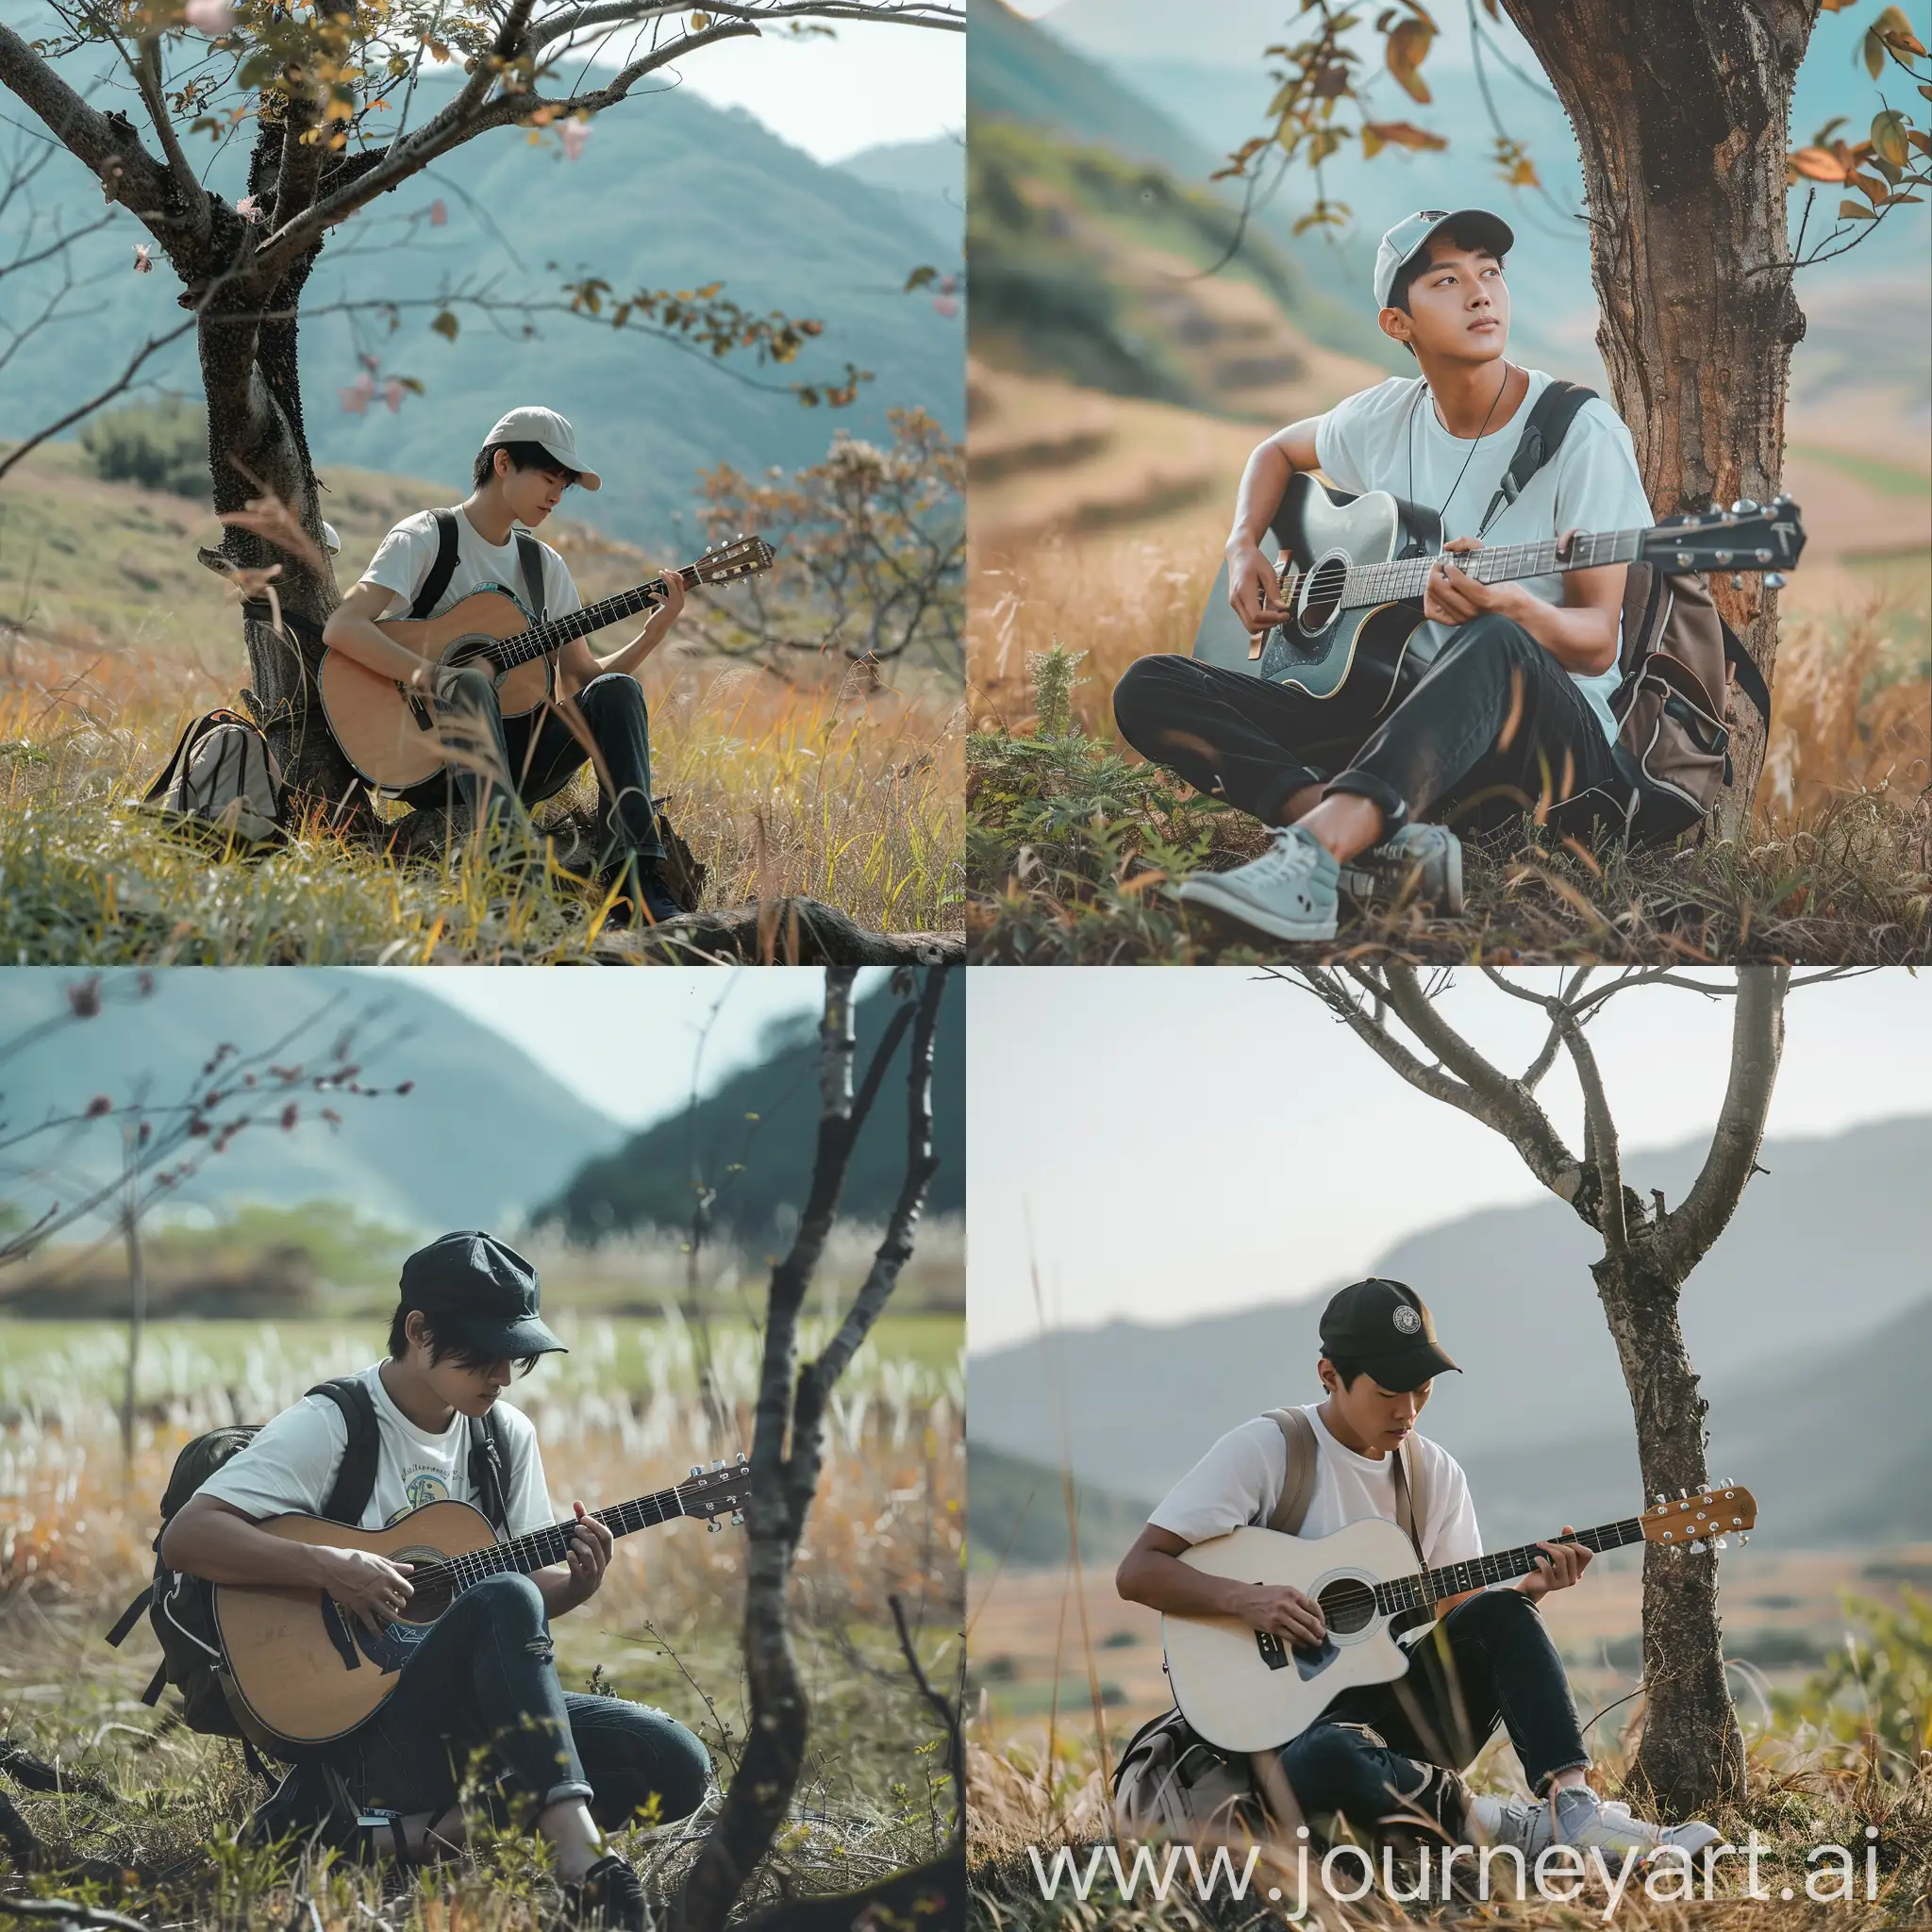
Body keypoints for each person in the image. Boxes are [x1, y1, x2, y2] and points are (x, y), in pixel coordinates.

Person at [1110, 209, 1657, 944]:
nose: (1480, 295)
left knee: (1492, 638)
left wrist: (1511, 609)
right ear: (1398, 323)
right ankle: (1380, 841)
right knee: (1151, 685)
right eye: (1448, 280)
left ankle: (1314, 857)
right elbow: (1274, 452)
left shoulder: (1578, 433)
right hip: (1406, 735)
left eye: (1490, 273)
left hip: (1547, 759)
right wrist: (1243, 546)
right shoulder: (1385, 417)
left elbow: (1597, 644)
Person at [159, 1231, 710, 1932]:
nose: (501, 1376)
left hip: (455, 1715)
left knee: (674, 1761)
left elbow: (504, 1610)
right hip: (351, 1725)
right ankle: (577, 1854)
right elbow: (190, 1537)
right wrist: (334, 1565)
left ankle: (374, 1835)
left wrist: (573, 1589)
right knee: (504, 1596)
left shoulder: (503, 1436)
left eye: (515, 1358)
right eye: (481, 1354)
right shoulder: (335, 1423)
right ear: (417, 1330)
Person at [1114, 1277, 1721, 1865]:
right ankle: (1511, 1828)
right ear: (1330, 1376)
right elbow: (1139, 1571)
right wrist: (1246, 1601)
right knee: (1327, 1756)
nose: (1408, 1410)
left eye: (1423, 1389)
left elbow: (1460, 1623)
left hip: (1391, 1722)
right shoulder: (1270, 1450)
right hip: (1280, 1745)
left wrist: (1529, 1593)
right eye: (1388, 1392)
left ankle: (1578, 1812)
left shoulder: (1432, 1474)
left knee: (1502, 1613)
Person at [320, 405, 687, 924]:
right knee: (468, 682)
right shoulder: (425, 537)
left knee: (619, 691)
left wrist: (655, 630)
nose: (557, 494)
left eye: (565, 483)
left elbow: (583, 680)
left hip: (521, 759)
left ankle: (636, 883)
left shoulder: (544, 567)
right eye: (549, 477)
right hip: (428, 756)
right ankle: (510, 869)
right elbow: (344, 627)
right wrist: (432, 675)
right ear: (503, 464)